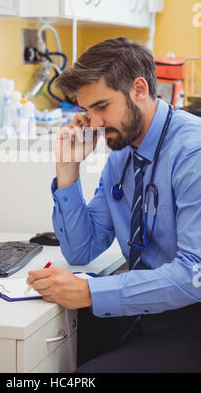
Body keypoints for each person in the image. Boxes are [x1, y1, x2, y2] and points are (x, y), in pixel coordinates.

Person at [27, 37, 201, 372]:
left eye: (102, 107)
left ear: (139, 89)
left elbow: (193, 276)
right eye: (86, 110)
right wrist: (68, 169)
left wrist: (90, 292)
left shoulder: (192, 152)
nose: (92, 123)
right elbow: (82, 249)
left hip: (191, 321)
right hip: (148, 314)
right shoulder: (123, 154)